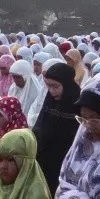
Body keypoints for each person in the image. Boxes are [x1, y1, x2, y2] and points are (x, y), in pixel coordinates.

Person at [31, 62, 81, 191]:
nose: (52, 91)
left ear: (66, 84)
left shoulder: (77, 104)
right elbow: (40, 127)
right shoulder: (50, 100)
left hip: (66, 167)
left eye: (56, 86)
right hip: (44, 164)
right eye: (49, 86)